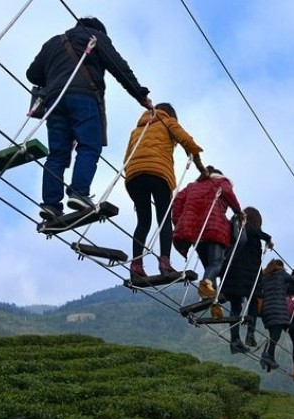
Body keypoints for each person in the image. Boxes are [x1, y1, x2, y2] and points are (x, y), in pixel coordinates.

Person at [27, 17, 152, 220]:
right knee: (89, 146)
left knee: (57, 153)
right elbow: (118, 67)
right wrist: (140, 95)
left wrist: (55, 76)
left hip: (54, 101)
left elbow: (32, 74)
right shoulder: (96, 37)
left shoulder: (53, 42)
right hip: (84, 97)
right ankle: (79, 192)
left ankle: (50, 204)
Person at [123, 102, 206, 278]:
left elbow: (127, 158)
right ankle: (165, 262)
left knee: (143, 222)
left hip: (134, 175)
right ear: (171, 114)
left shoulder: (137, 130)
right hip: (158, 174)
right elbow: (186, 140)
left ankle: (136, 265)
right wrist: (199, 164)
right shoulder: (167, 121)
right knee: (164, 220)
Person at [172, 166, 244, 300]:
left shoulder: (191, 186)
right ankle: (207, 290)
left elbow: (177, 202)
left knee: (209, 267)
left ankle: (211, 298)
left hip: (195, 233)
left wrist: (179, 222)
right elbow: (228, 194)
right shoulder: (221, 182)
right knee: (216, 263)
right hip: (214, 229)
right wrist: (239, 212)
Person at [220, 207, 273, 353]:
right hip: (246, 274)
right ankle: (249, 333)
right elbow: (250, 230)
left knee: (236, 307)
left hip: (235, 274)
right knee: (252, 303)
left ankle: (235, 340)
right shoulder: (244, 226)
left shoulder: (234, 226)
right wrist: (267, 238)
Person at [256, 259, 294, 371]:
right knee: (275, 336)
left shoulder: (265, 277)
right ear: (281, 267)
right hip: (278, 309)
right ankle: (266, 356)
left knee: (273, 335)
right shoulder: (282, 274)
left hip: (267, 311)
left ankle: (271, 359)